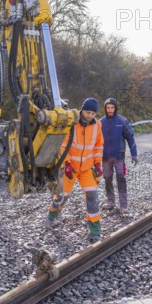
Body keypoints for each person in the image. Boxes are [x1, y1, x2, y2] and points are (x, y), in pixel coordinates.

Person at [45, 97, 105, 242]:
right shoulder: (72, 123)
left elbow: (98, 146)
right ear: (82, 109)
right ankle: (51, 217)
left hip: (86, 169)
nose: (90, 116)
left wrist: (97, 163)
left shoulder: (97, 125)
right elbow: (62, 145)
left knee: (93, 198)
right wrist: (66, 164)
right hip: (70, 168)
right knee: (61, 196)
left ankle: (95, 232)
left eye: (93, 113)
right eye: (88, 112)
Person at [100, 98, 138, 215]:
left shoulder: (122, 121)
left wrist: (134, 154)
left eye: (112, 108)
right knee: (107, 179)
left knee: (121, 179)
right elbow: (96, 141)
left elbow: (130, 138)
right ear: (105, 108)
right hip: (105, 157)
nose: (110, 110)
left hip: (119, 157)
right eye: (108, 108)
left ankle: (124, 205)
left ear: (115, 108)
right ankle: (111, 201)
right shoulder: (100, 122)